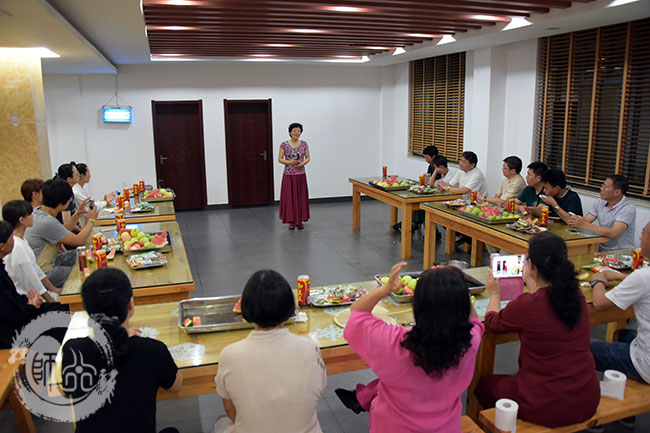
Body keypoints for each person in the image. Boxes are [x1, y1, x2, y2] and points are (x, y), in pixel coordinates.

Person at [335, 263, 483, 432]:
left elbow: (357, 312)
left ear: (418, 306)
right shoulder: (469, 342)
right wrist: (455, 286)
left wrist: (386, 289)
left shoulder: (394, 342)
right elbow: (475, 321)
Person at [475, 232, 600, 427]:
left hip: (545, 403)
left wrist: (494, 295)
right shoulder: (577, 296)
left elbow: (492, 322)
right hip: (587, 397)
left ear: (531, 265)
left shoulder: (527, 305)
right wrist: (533, 282)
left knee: (483, 386)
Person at [62, 268, 182, 433]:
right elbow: (176, 386)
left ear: (88, 311)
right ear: (130, 304)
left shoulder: (73, 350)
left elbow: (67, 390)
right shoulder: (153, 350)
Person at [213, 269, 326, 433]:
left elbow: (231, 410)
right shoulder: (311, 348)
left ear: (247, 308)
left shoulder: (229, 355)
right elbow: (317, 393)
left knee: (221, 423)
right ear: (289, 307)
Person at [589, 221, 650, 430]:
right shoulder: (643, 277)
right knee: (622, 334)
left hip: (646, 364)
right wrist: (623, 277)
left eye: (643, 233)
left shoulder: (643, 277)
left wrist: (598, 281)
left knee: (584, 349)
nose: (640, 238)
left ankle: (592, 409)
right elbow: (641, 282)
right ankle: (624, 409)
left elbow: (599, 304)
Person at [0, 221, 67, 349]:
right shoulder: (18, 250)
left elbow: (12, 298)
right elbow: (9, 310)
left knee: (59, 307)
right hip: (9, 330)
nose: (13, 240)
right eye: (11, 238)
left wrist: (29, 302)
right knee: (57, 314)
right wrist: (30, 306)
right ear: (2, 246)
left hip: (19, 312)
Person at [24, 179, 99, 288]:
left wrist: (78, 213)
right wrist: (92, 220)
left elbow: (63, 230)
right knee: (86, 272)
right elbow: (79, 241)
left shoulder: (38, 211)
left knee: (85, 255)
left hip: (47, 263)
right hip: (44, 273)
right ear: (62, 203)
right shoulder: (47, 222)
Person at [2, 200, 60, 303]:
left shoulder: (21, 240)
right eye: (30, 214)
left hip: (35, 295)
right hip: (28, 299)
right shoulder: (17, 246)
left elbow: (35, 269)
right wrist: (50, 300)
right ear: (22, 220)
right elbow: (31, 280)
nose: (33, 217)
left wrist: (54, 289)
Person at [568, 174, 636, 251]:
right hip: (600, 247)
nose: (601, 189)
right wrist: (577, 221)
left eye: (605, 187)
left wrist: (584, 224)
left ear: (617, 192)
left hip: (620, 251)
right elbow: (586, 220)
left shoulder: (628, 208)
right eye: (602, 185)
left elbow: (614, 233)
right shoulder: (600, 202)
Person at [393, 145, 440, 232]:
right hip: (430, 189)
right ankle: (413, 223)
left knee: (421, 205)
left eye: (427, 157)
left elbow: (433, 182)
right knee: (416, 201)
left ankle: (417, 225)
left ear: (433, 156)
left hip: (437, 193)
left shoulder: (439, 166)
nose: (426, 160)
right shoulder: (430, 166)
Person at [278, 122, 310, 230]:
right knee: (290, 198)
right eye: (294, 131)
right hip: (289, 175)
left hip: (300, 175)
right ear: (290, 132)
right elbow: (280, 159)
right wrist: (289, 162)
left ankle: (299, 220)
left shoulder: (304, 144)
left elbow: (308, 158)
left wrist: (301, 164)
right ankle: (291, 221)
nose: (297, 133)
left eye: (299, 131)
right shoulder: (284, 144)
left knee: (301, 197)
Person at [56, 162, 85, 230]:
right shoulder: (64, 194)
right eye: (77, 174)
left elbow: (75, 213)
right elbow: (67, 223)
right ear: (69, 179)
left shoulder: (70, 191)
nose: (79, 176)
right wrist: (81, 231)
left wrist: (82, 229)